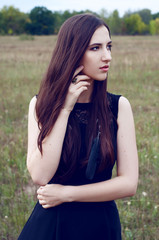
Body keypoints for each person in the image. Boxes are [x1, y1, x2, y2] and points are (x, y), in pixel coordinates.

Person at [18, 13, 138, 240]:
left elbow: (129, 183)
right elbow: (41, 175)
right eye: (95, 48)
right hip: (53, 226)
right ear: (73, 53)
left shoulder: (118, 107)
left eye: (109, 46)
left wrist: (67, 193)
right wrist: (64, 109)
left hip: (100, 224)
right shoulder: (40, 104)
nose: (107, 57)